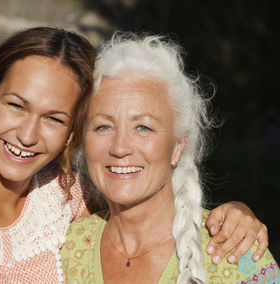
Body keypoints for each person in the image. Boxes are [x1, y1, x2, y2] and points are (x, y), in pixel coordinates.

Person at [0, 27, 269, 283]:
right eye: (17, 105)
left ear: (70, 134)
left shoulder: (67, 197)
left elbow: (144, 197)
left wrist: (236, 212)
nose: (28, 135)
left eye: (53, 118)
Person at [60, 33, 279, 283]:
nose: (120, 148)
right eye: (103, 127)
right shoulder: (60, 251)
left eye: (143, 127)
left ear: (177, 146)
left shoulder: (235, 253)